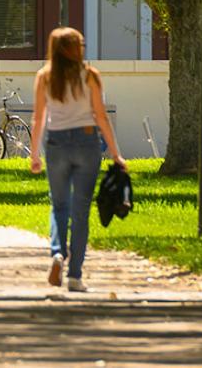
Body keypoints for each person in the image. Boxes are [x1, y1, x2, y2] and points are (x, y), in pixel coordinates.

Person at [29, 26, 128, 293]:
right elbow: (100, 116)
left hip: (57, 143)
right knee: (80, 211)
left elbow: (38, 117)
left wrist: (34, 153)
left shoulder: (45, 76)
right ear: (75, 48)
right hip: (86, 142)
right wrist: (116, 153)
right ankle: (75, 276)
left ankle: (58, 254)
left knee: (59, 205)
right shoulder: (90, 75)